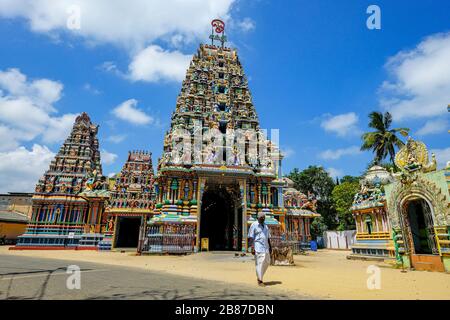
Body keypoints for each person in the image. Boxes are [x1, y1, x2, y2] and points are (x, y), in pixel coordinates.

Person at [248, 212, 272, 286]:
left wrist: (270, 247)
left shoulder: (266, 226)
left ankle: (259, 275)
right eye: (261, 218)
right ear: (257, 218)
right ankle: (260, 280)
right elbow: (251, 237)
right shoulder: (254, 225)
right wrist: (251, 247)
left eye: (264, 218)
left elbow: (268, 237)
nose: (263, 219)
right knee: (260, 263)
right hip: (258, 246)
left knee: (267, 262)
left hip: (266, 247)